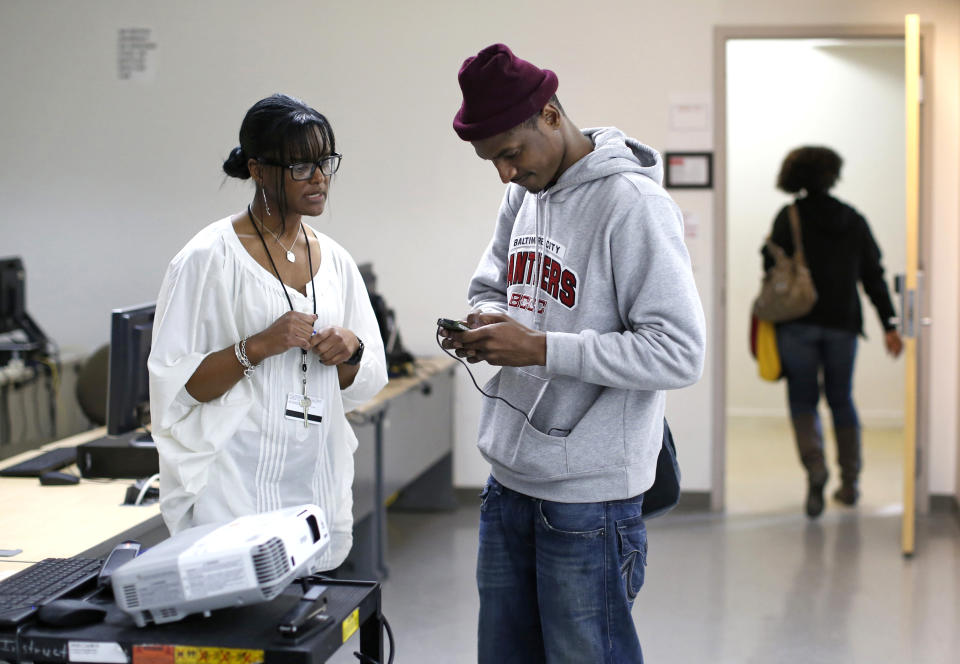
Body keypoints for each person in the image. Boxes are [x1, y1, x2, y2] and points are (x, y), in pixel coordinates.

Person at [442, 43, 705, 664]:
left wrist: (538, 348)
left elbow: (678, 352)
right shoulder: (523, 195)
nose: (505, 174)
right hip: (508, 482)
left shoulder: (632, 206)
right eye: (491, 162)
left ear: (552, 115)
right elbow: (491, 285)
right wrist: (487, 322)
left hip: (589, 500)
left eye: (510, 153)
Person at [148, 94, 387, 571]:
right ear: (258, 171)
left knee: (302, 627)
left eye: (325, 162)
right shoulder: (207, 258)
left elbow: (364, 383)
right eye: (301, 166)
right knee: (240, 627)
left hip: (313, 480)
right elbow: (177, 389)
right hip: (234, 485)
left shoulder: (335, 260)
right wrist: (258, 346)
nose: (319, 178)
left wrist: (350, 351)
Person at [763, 145, 903, 518]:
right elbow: (874, 275)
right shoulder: (853, 219)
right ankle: (850, 482)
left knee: (803, 400)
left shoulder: (788, 216)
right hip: (843, 324)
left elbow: (770, 267)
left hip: (797, 324)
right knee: (842, 400)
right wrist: (889, 324)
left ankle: (815, 470)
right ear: (832, 175)